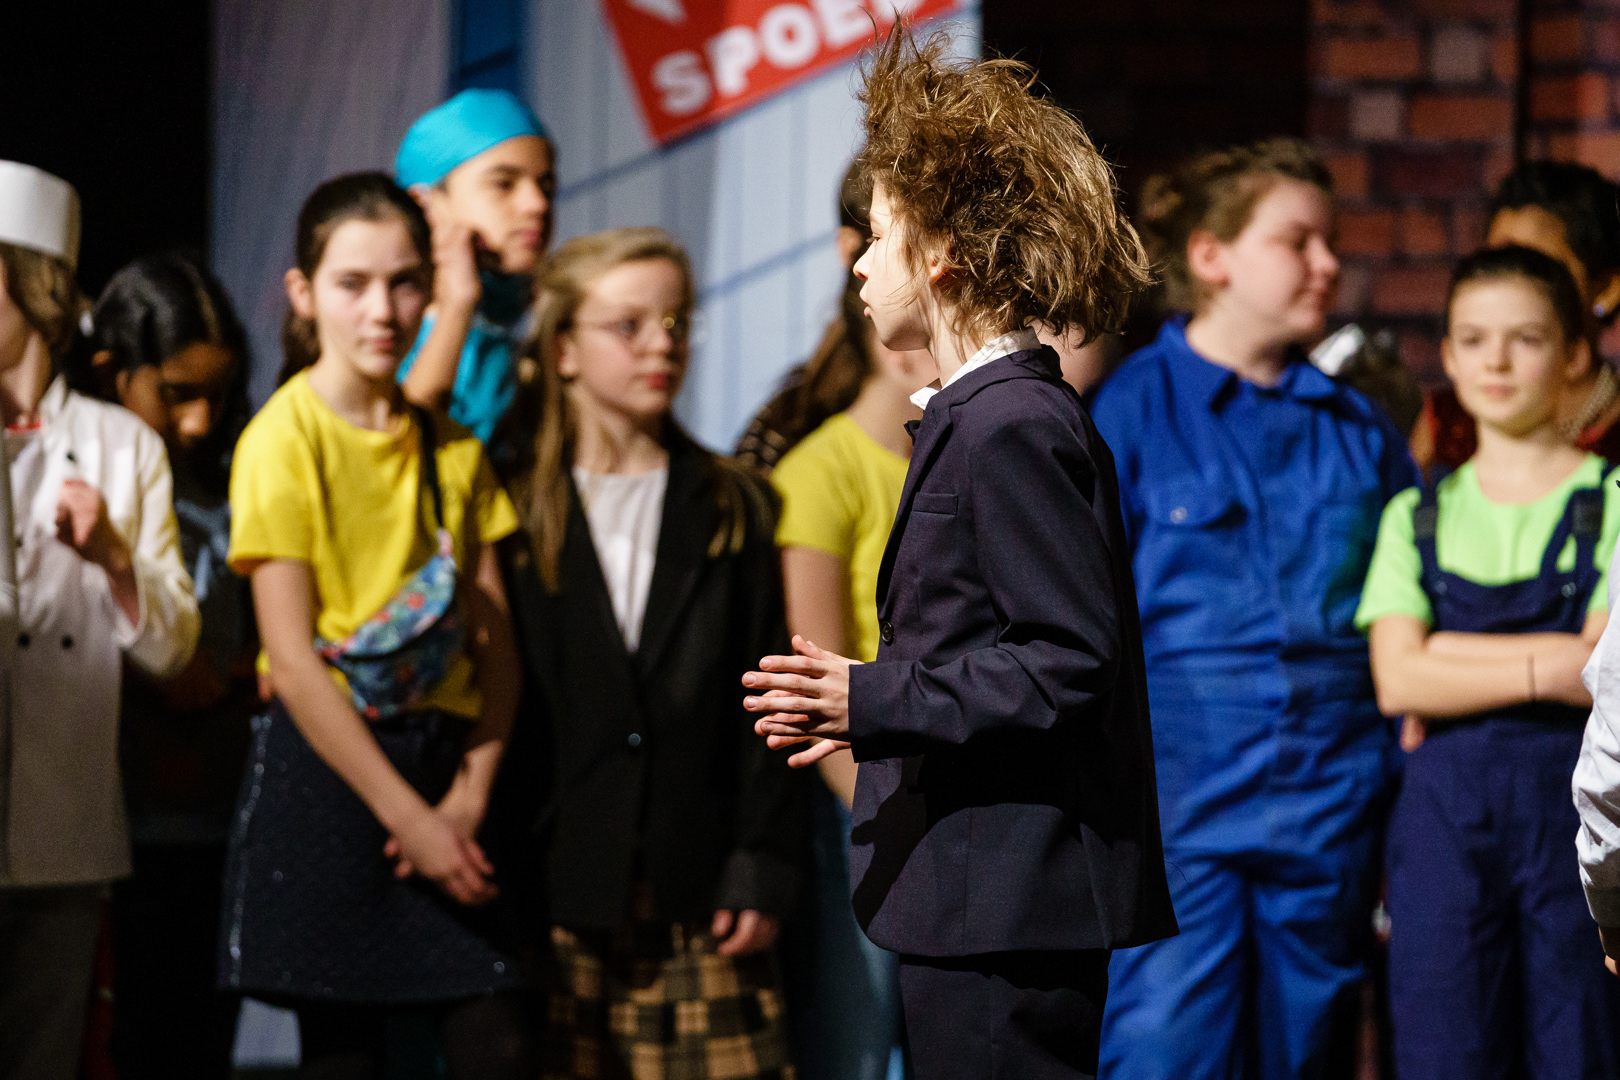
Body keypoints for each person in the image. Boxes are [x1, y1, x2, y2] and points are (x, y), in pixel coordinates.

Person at [742, 27, 1175, 1080]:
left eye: (880, 235)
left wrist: (869, 695)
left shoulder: (1011, 424)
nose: (860, 261)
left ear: (941, 253)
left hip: (1008, 898)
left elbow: (1066, 660)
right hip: (977, 892)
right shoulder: (984, 417)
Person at [1087, 138, 1419, 1079]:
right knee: (1164, 1053)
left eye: (1332, 242)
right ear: (1211, 256)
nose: (1328, 263)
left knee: (1306, 1056)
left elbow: (1409, 605)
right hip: (1177, 818)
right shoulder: (1126, 412)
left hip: (1331, 809)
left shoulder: (1360, 430)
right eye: (1297, 241)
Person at [220, 172, 531, 1078]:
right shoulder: (281, 440)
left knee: (500, 1044)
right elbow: (291, 660)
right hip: (334, 779)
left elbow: (499, 654)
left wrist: (467, 797)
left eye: (402, 282)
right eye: (353, 284)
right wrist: (412, 822)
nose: (382, 310)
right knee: (344, 1058)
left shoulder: (454, 448)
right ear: (303, 293)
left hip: (446, 771)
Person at [488, 226, 806, 1080]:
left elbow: (768, 698)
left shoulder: (735, 504)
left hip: (697, 886)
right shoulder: (510, 508)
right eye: (628, 326)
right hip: (556, 888)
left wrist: (762, 861)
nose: (661, 345)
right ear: (562, 349)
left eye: (676, 323)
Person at [1362, 246, 1620, 1078]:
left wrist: (1446, 655)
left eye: (1526, 339)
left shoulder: (1614, 500)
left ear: (1574, 353)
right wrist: (1558, 663)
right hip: (1443, 830)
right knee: (1445, 1051)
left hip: (1575, 825)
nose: (1496, 361)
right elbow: (1397, 678)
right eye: (1473, 340)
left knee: (1582, 1049)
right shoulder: (1414, 513)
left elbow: (1604, 671)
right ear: (1447, 354)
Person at [0, 161, 200, 1080]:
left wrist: (117, 556)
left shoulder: (125, 446)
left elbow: (174, 648)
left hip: (63, 828)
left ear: (33, 285)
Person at [81, 251, 255, 1080]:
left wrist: (238, 673)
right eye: (177, 393)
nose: (197, 421)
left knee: (202, 1040)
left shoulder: (235, 475)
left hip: (222, 815)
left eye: (216, 394)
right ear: (111, 373)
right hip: (114, 823)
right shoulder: (81, 477)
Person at [769, 254, 933, 1080]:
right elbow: (814, 680)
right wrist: (879, 810)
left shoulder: (958, 457)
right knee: (859, 1036)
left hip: (945, 783)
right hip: (862, 796)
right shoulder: (818, 472)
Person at [1417, 161, 1620, 470]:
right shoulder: (1448, 423)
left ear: (1606, 289)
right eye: (1497, 264)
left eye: (1536, 267)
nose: (1510, 287)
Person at [394, 88, 556, 446]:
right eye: (503, 184)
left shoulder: (529, 326)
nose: (537, 205)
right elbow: (397, 456)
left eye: (546, 187)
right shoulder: (386, 331)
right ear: (423, 205)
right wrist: (456, 306)